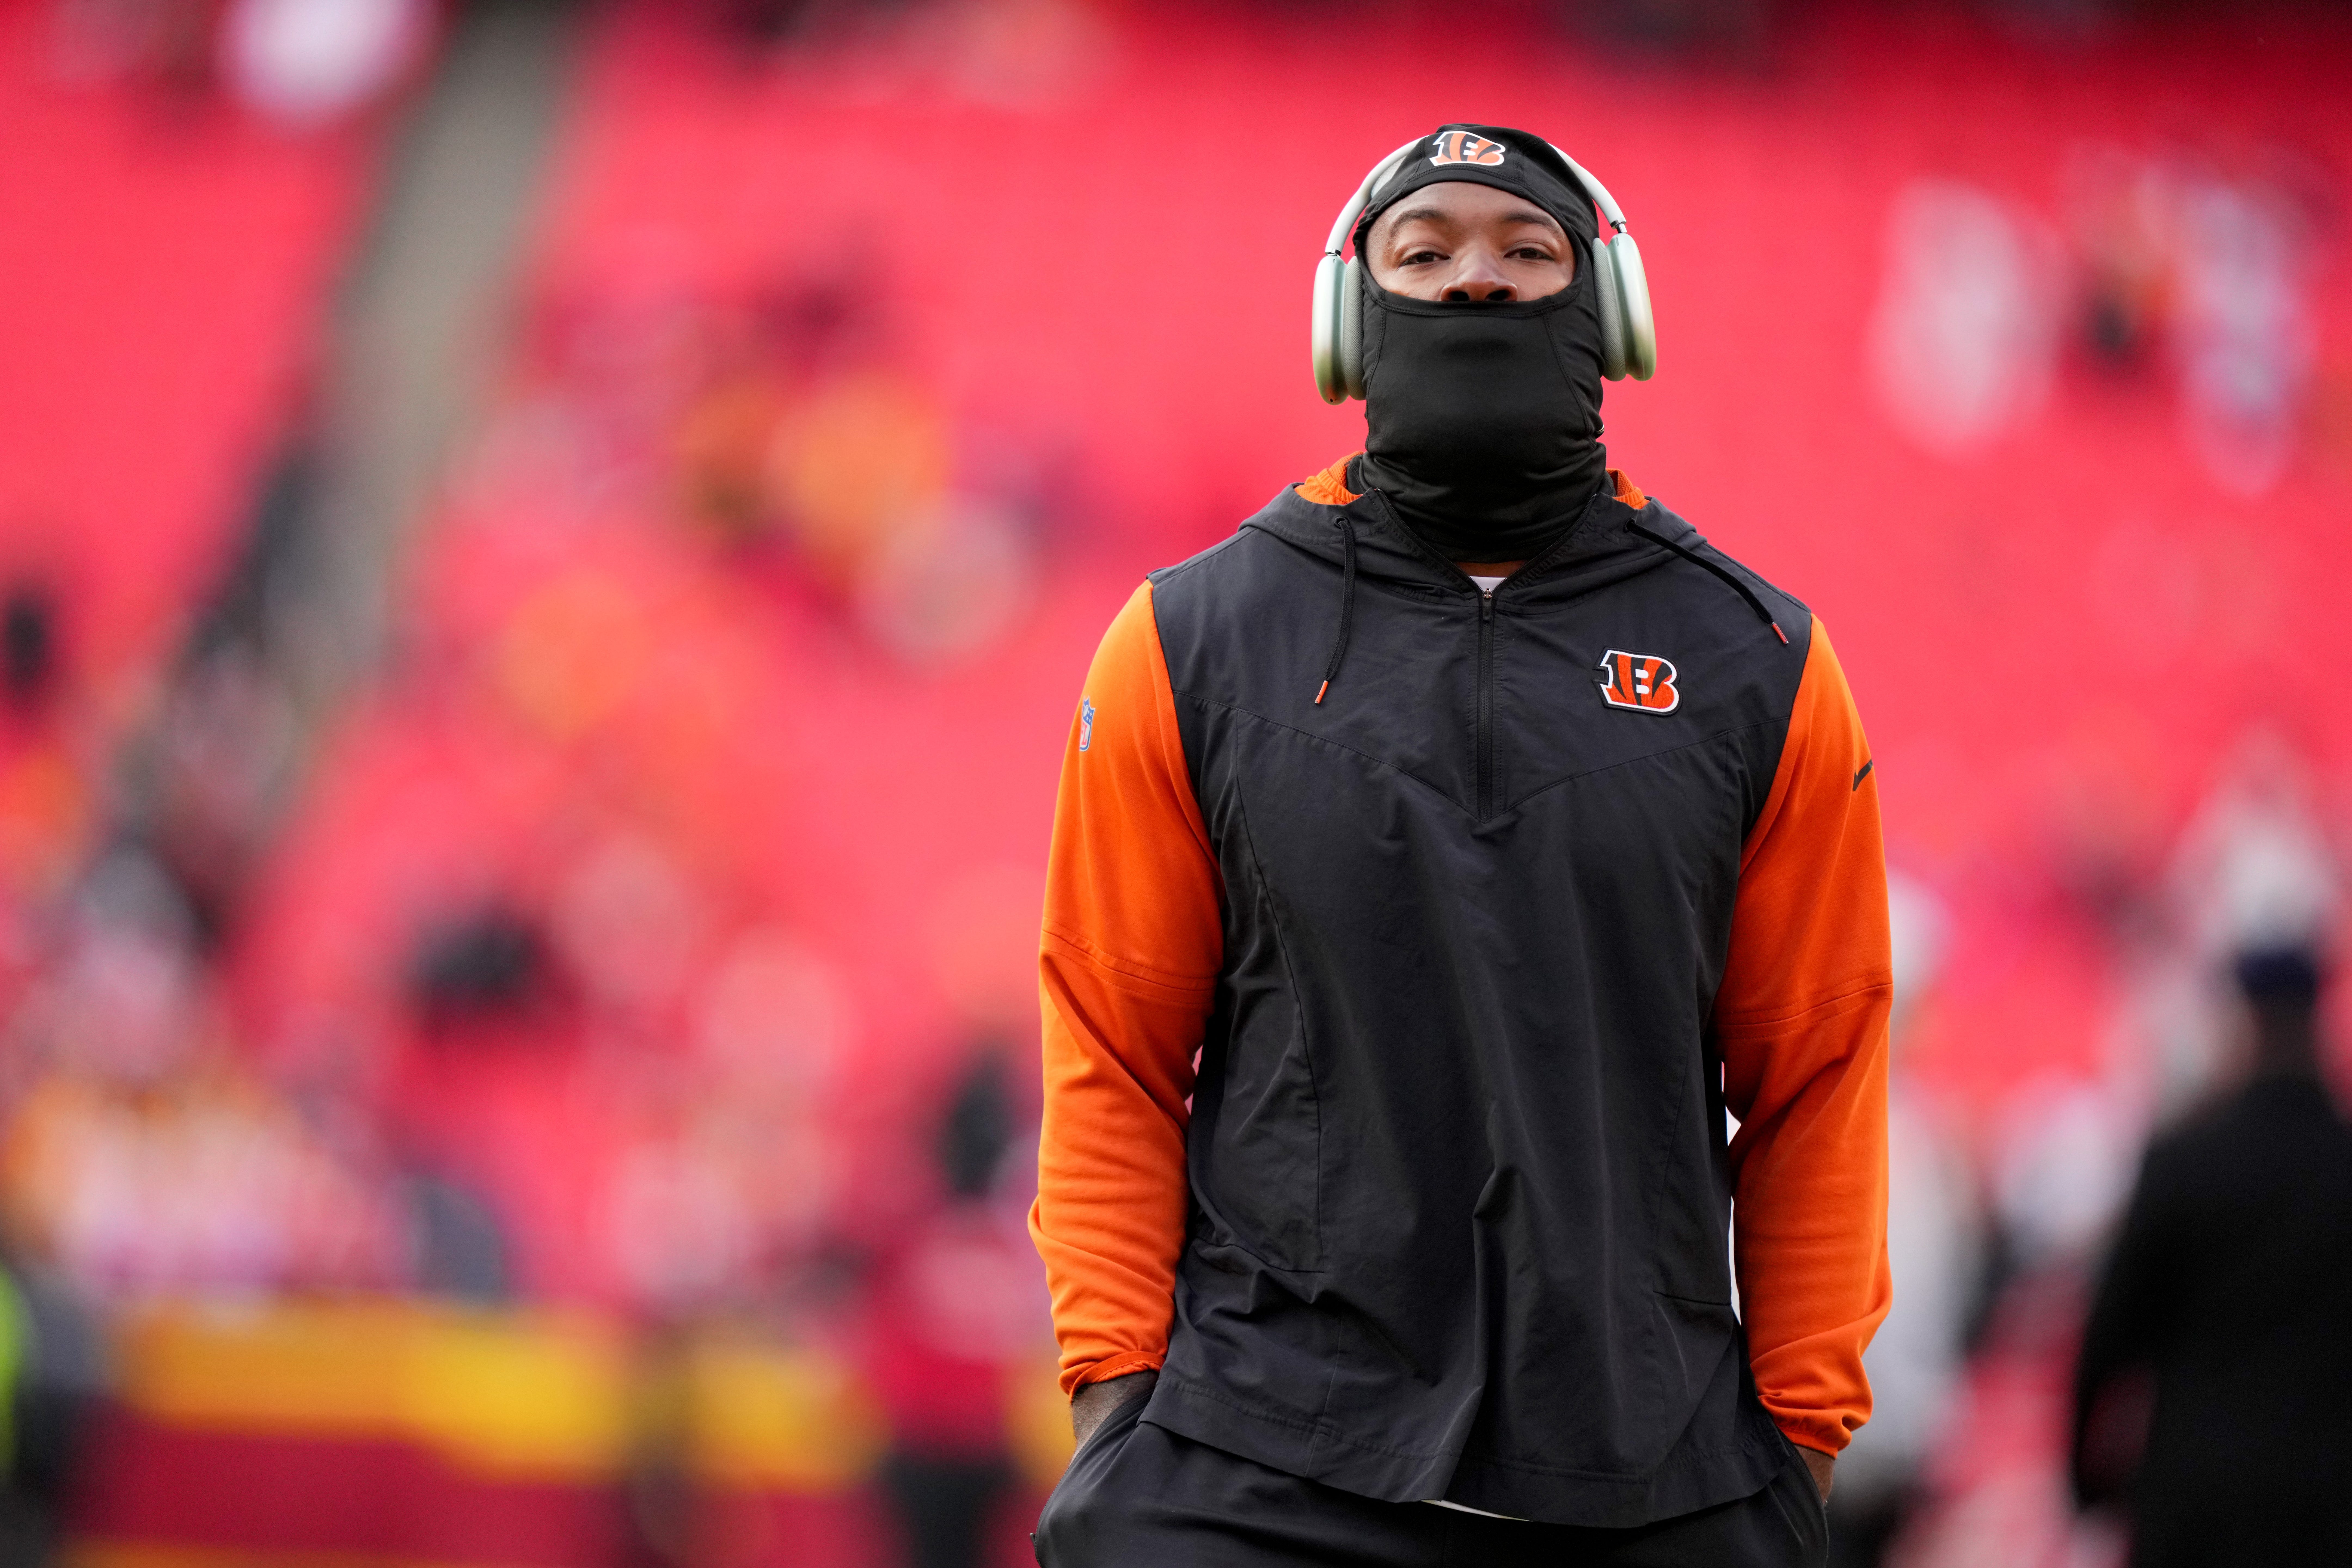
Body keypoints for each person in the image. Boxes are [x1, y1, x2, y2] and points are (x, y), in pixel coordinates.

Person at [1028, 124, 1891, 1566]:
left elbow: (1818, 1071)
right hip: (1261, 1461)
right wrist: (1116, 1404)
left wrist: (1796, 1447)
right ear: (1351, 317)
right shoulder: (1189, 639)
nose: (1474, 283)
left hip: (1649, 1474)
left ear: (1605, 309)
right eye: (1424, 255)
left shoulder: (1761, 660)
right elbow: (1111, 1040)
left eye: (1524, 251)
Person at [2072, 945, 2352, 1567]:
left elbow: (2110, 1337)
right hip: (2328, 1505)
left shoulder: (2184, 1161)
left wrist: (2084, 1485)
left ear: (2245, 1024)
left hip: (2195, 1498)